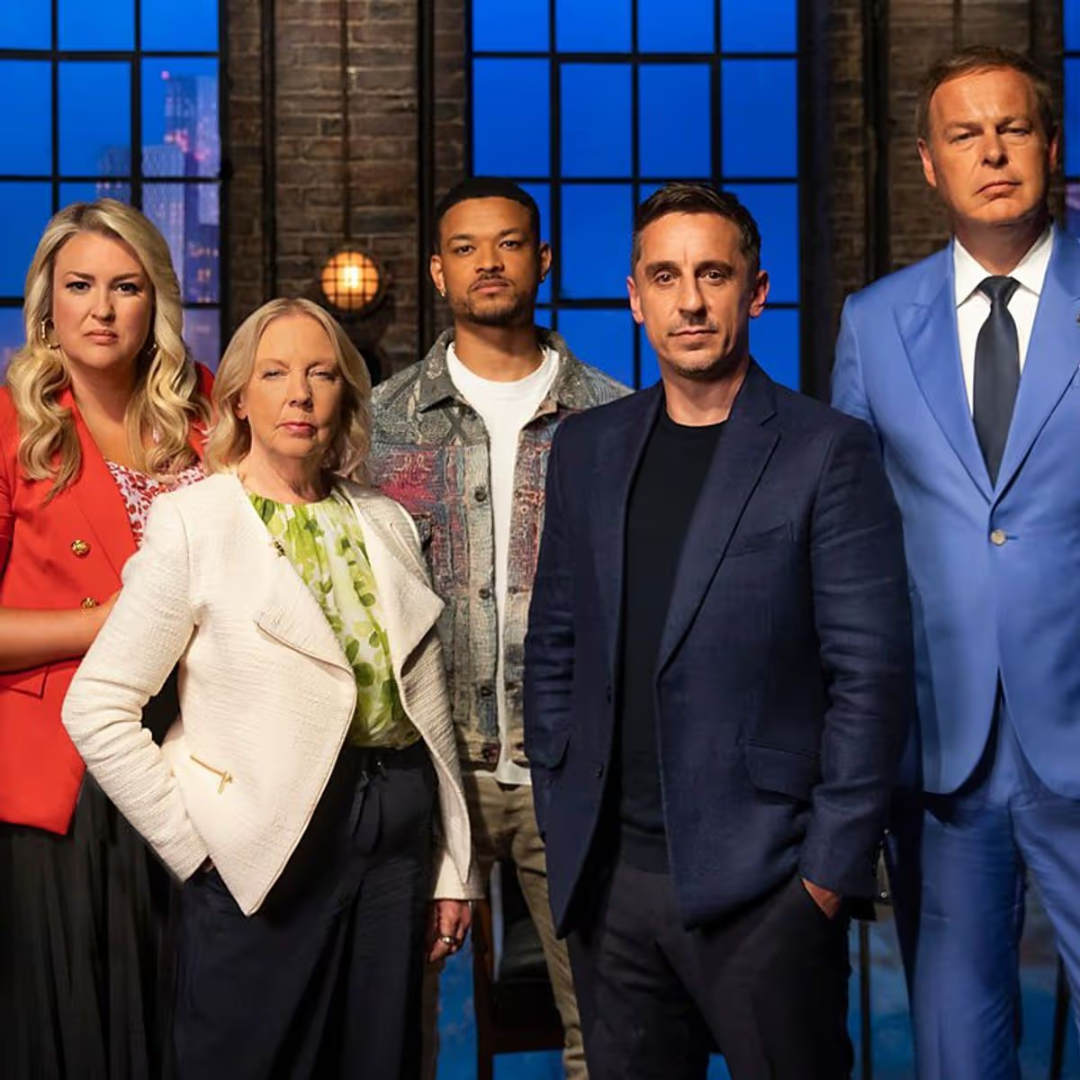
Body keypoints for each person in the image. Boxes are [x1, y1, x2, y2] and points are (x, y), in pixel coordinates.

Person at [524, 182, 913, 1080]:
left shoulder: (825, 450)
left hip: (767, 886)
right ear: (635, 298)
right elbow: (555, 640)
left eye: (713, 275)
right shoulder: (586, 447)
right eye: (665, 277)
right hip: (611, 883)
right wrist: (559, 794)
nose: (690, 301)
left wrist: (825, 876)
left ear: (756, 291)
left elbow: (871, 676)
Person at [62, 297, 481, 1079]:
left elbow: (425, 706)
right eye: (276, 373)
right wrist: (195, 848)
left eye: (322, 374)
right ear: (237, 399)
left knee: (381, 1062)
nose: (300, 394)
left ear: (345, 396)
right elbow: (96, 706)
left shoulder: (386, 520)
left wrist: (455, 866)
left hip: (396, 836)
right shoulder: (194, 523)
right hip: (266, 845)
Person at [832, 45, 1080, 1080]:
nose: (993, 152)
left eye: (1013, 128)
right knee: (956, 1042)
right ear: (930, 165)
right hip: (941, 743)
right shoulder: (874, 321)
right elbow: (851, 539)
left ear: (1051, 147)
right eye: (965, 134)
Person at [369, 176, 627, 1078]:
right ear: (438, 271)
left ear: (542, 259)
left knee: (606, 1029)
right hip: (425, 766)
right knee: (393, 1029)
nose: (489, 262)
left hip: (569, 769)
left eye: (509, 243)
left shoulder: (616, 415)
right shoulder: (380, 421)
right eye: (467, 247)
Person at [0, 198, 212, 1079]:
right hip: (67, 767)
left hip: (202, 751)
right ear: (47, 303)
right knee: (79, 1028)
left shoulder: (207, 410)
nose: (101, 308)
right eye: (79, 285)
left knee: (193, 1018)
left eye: (126, 287)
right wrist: (112, 625)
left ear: (155, 300)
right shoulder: (12, 423)